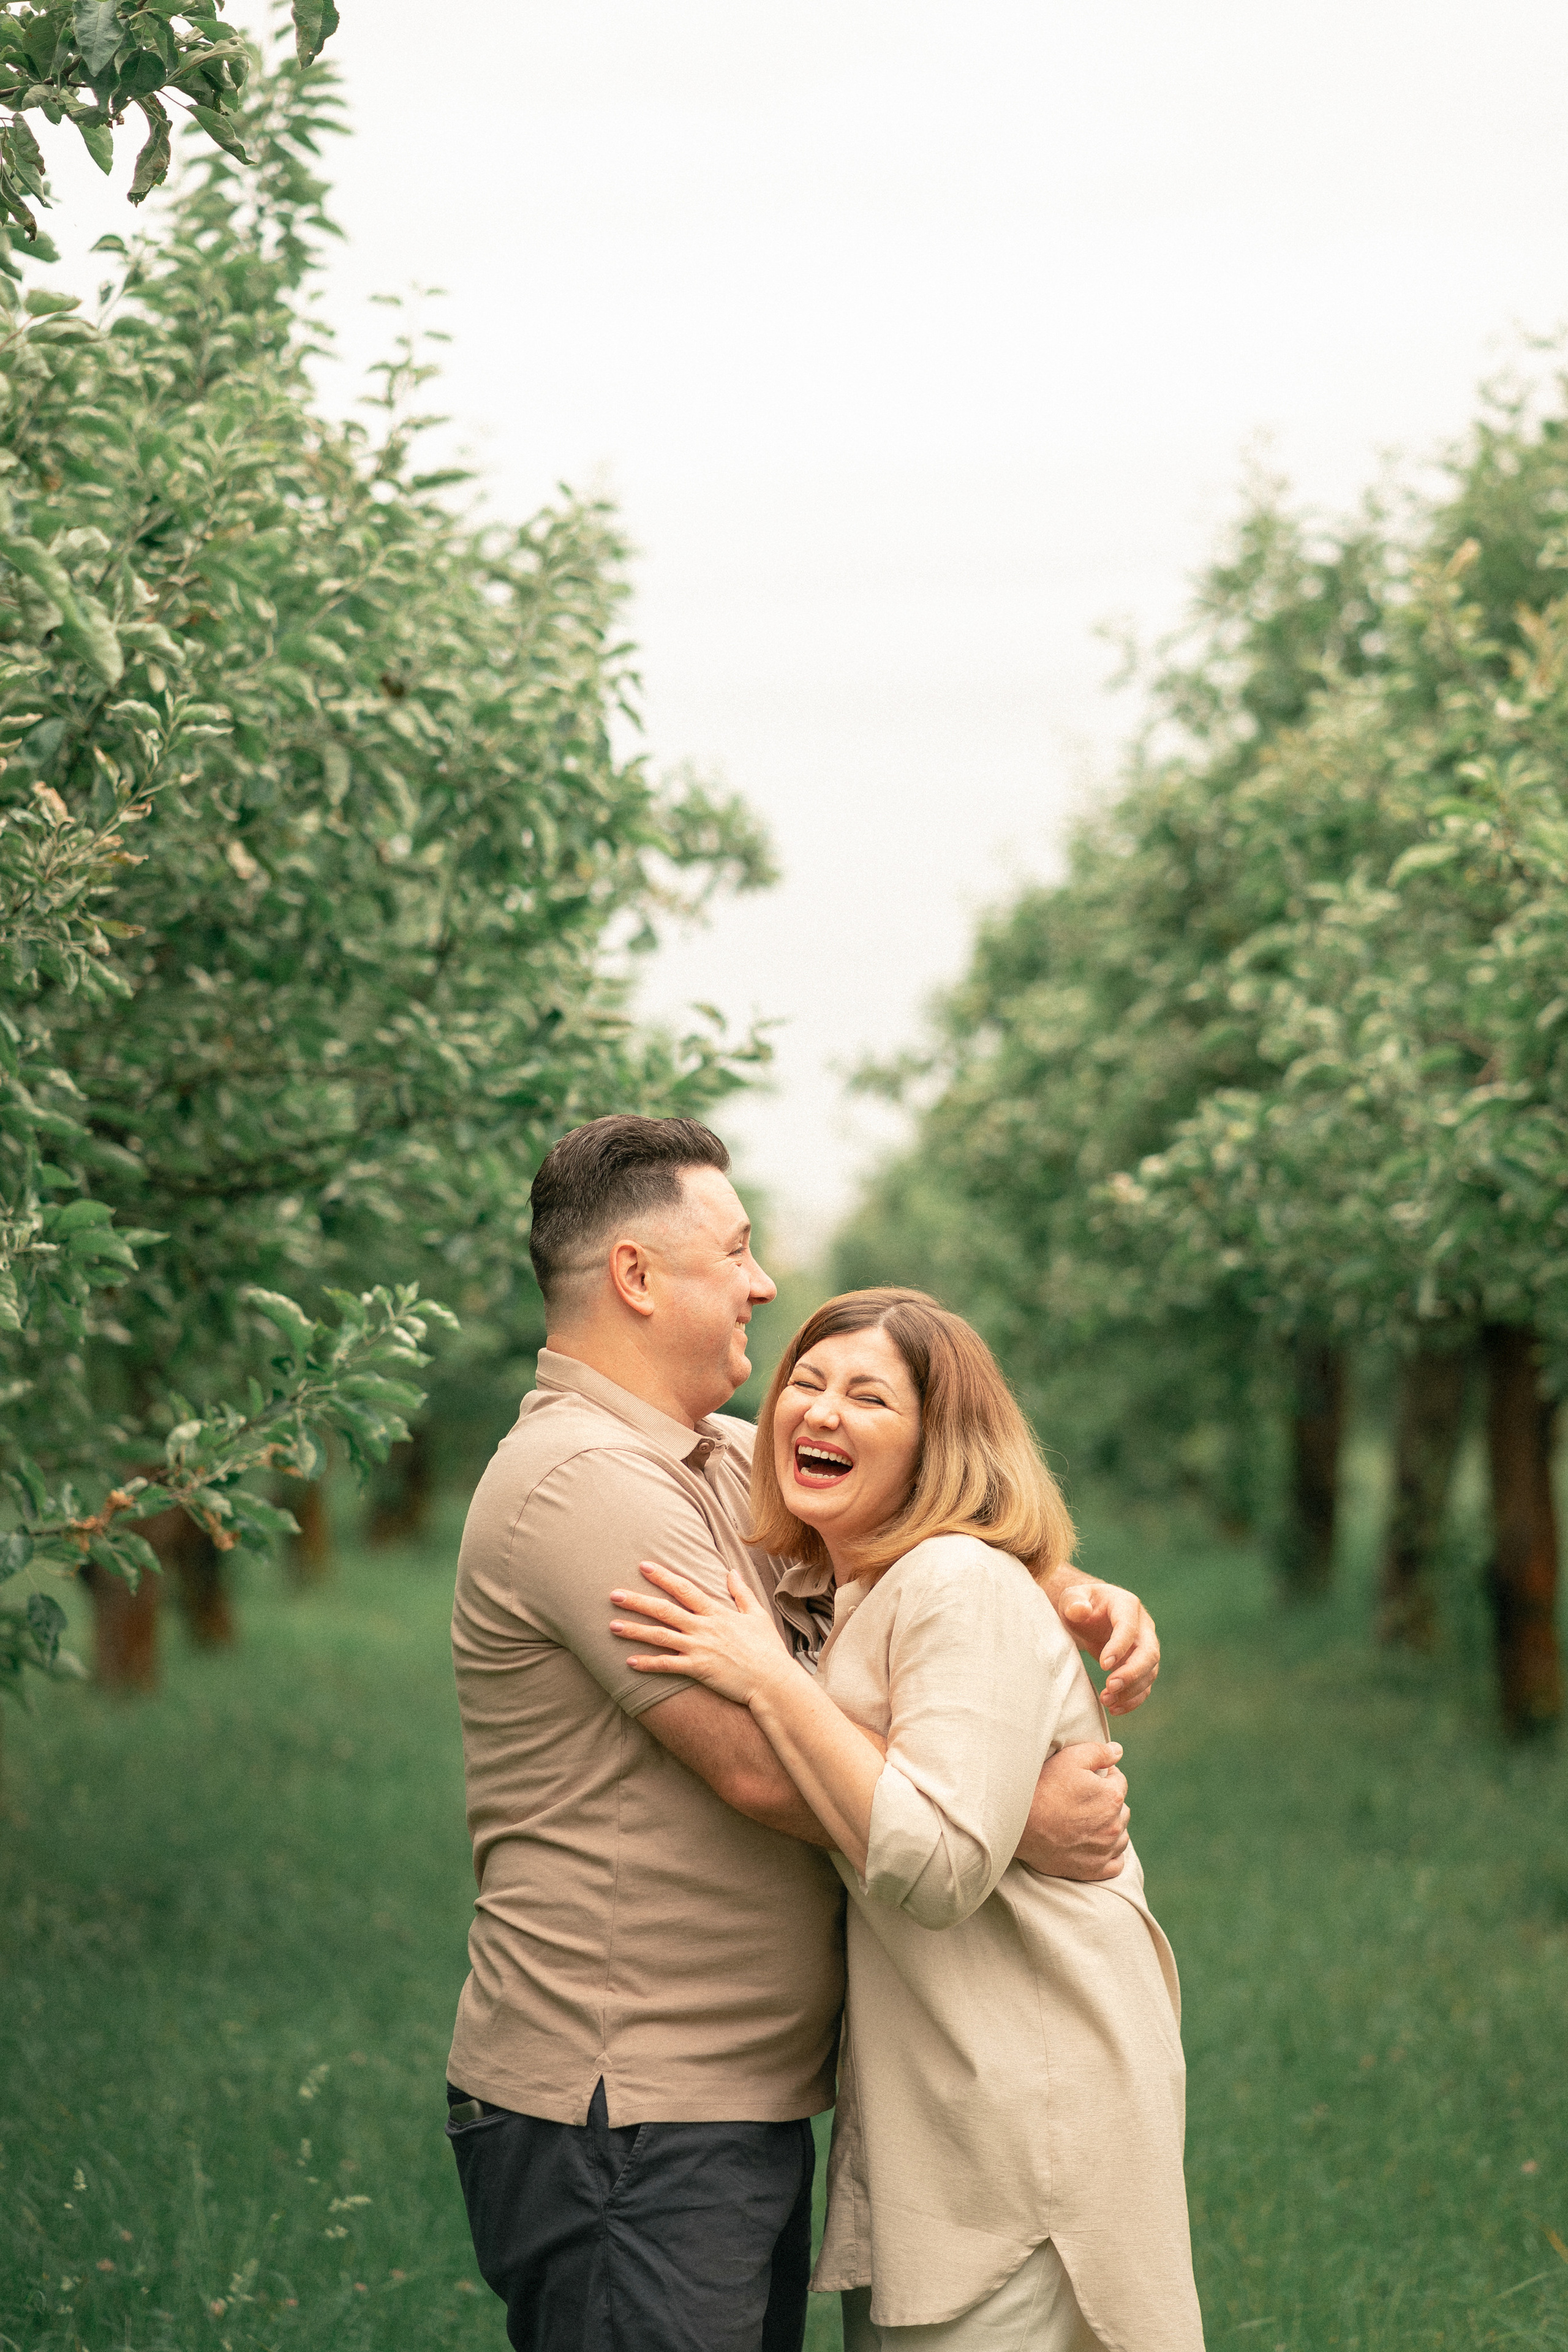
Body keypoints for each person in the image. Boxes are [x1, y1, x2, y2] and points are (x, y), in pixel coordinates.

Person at [445, 1116, 1163, 2352]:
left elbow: (899, 1514)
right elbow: (758, 1766)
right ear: (636, 1276)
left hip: (715, 2098)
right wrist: (1012, 1818)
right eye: (734, 1251)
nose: (763, 1284)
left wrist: (1058, 1589)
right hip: (628, 2106)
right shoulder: (586, 1481)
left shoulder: (714, 1459)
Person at [611, 1287, 1204, 2351]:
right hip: (951, 2091)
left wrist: (765, 1677)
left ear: (939, 1448)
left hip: (1028, 2107)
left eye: (869, 1397)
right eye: (805, 1382)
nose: (821, 1412)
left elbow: (937, 1866)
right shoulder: (865, 1583)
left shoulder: (955, 1581)